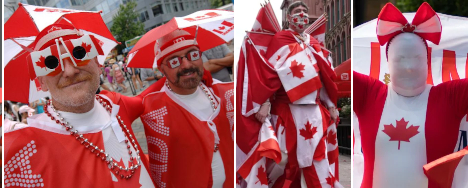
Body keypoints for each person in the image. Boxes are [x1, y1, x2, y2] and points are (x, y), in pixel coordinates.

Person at [4, 23, 153, 187]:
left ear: (97, 63)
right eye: (52, 63)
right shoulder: (23, 150)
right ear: (42, 82)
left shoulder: (114, 103)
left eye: (79, 53)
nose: (69, 71)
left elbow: (154, 97)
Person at [353, 3, 468, 187]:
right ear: (388, 63)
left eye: (417, 58)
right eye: (401, 59)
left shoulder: (450, 98)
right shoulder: (369, 94)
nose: (409, 67)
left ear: (427, 62)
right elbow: (327, 75)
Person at [239, 1, 342, 187]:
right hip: (287, 110)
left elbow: (324, 78)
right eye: (297, 11)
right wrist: (264, 103)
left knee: (317, 159)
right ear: (288, 17)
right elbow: (269, 74)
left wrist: (332, 106)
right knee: (286, 160)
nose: (301, 14)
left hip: (315, 110)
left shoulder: (314, 44)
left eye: (304, 11)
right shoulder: (280, 39)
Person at [133, 29, 234, 188]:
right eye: (174, 61)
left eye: (193, 55)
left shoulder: (226, 93)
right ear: (161, 69)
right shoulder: (149, 107)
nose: (187, 65)